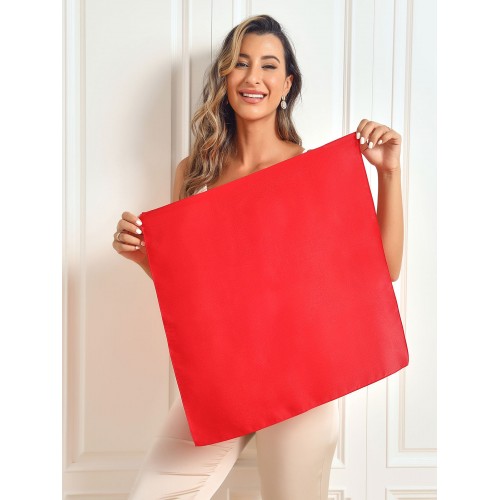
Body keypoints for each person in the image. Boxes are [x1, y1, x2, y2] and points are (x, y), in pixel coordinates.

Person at [112, 14, 403, 500]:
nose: (253, 77)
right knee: (153, 493)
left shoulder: (310, 171)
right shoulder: (193, 174)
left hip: (301, 378)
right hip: (222, 376)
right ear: (225, 76)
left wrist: (389, 174)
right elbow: (194, 292)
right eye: (241, 63)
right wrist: (144, 257)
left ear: (286, 84)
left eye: (269, 66)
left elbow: (385, 270)